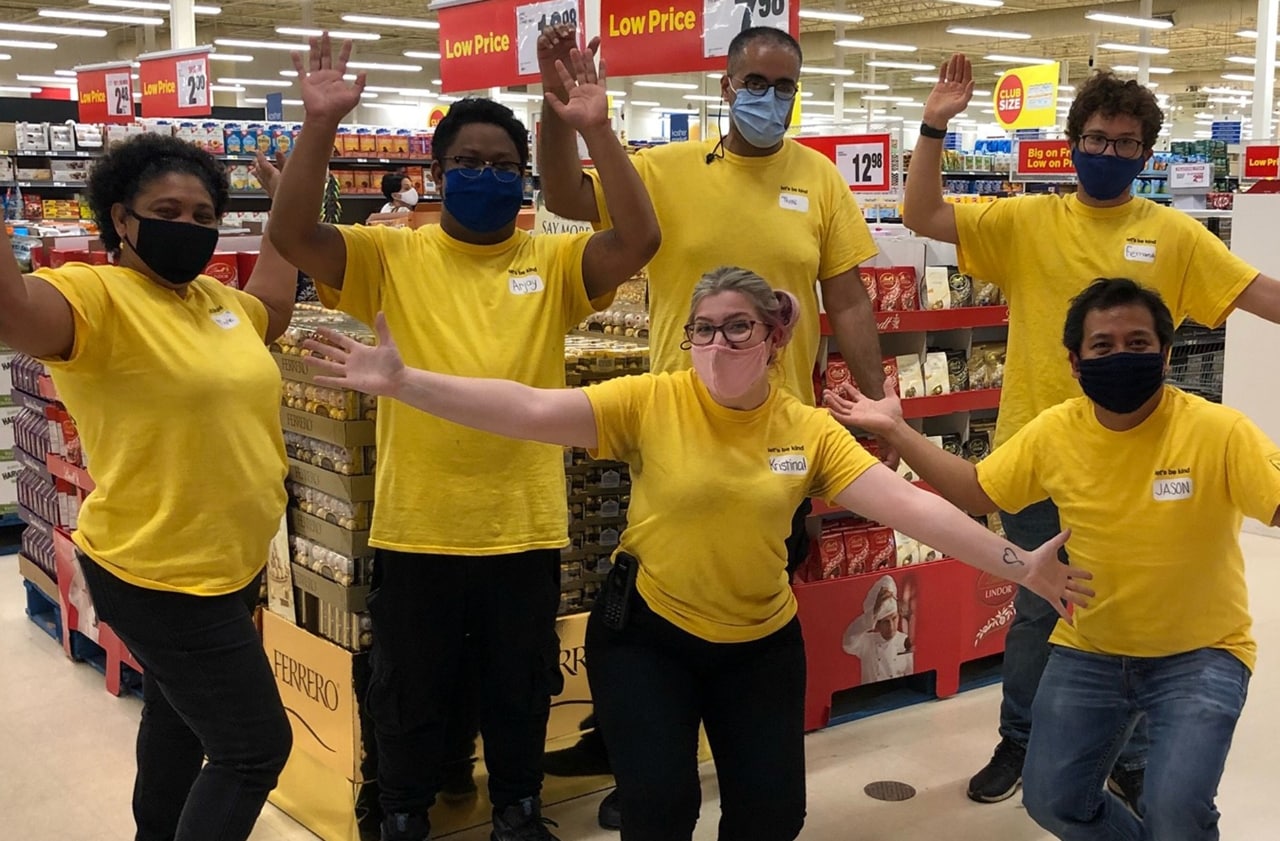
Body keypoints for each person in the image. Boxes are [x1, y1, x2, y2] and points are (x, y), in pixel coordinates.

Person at [301, 265, 1091, 841]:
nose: (716, 343)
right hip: (649, 636)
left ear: (775, 337)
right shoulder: (652, 399)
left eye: (737, 327)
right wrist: (408, 384)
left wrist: (1023, 567)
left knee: (771, 814)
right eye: (703, 328)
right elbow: (529, 409)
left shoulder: (806, 430)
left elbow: (913, 502)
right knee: (659, 810)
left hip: (760, 645)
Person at [267, 35, 660, 841]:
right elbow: (293, 234)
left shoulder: (551, 263)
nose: (486, 175)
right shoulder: (391, 255)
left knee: (519, 680)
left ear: (523, 178)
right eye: (468, 163)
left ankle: (518, 806)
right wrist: (318, 128)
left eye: (502, 164)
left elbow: (639, 240)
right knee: (409, 683)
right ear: (437, 176)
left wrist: (596, 129)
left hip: (525, 520)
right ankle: (403, 808)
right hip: (419, 521)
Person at [537, 24, 891, 826]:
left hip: (783, 438)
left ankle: (736, 770)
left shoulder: (822, 180)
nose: (771, 99)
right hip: (672, 428)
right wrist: (558, 109)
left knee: (756, 588)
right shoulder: (666, 169)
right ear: (726, 88)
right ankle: (649, 765)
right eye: (756, 83)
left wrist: (876, 410)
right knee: (666, 580)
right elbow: (566, 197)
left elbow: (849, 300)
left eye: (786, 85)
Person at [903, 55, 1280, 806]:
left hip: (1140, 455)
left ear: (1148, 153)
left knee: (1129, 605)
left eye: (1127, 142)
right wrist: (934, 124)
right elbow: (922, 216)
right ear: (1073, 142)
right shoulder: (1025, 219)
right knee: (1036, 608)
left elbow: (1253, 291)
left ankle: (1130, 755)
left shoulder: (1172, 233)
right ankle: (1020, 737)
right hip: (1036, 452)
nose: (1111, 153)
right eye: (1098, 138)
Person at [826, 277, 1278, 840]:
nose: (1121, 356)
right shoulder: (1056, 431)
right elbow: (975, 491)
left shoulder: (1220, 431)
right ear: (1075, 361)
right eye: (1103, 346)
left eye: (1137, 344)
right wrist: (897, 427)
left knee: (1176, 809)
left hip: (1201, 652)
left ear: (1165, 353)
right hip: (1090, 648)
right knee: (1053, 801)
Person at [0, 135, 299, 841]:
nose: (188, 226)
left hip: (225, 565)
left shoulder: (217, 303)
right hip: (160, 573)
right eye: (167, 209)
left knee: (175, 714)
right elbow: (12, 311)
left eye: (203, 215)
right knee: (254, 747)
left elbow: (274, 309)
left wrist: (289, 200)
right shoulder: (96, 295)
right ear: (121, 219)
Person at [842, 574, 914, 683]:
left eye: (894, 618)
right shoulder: (867, 642)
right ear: (877, 624)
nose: (891, 626)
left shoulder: (905, 641)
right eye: (885, 621)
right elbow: (848, 643)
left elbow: (911, 675)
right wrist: (872, 613)